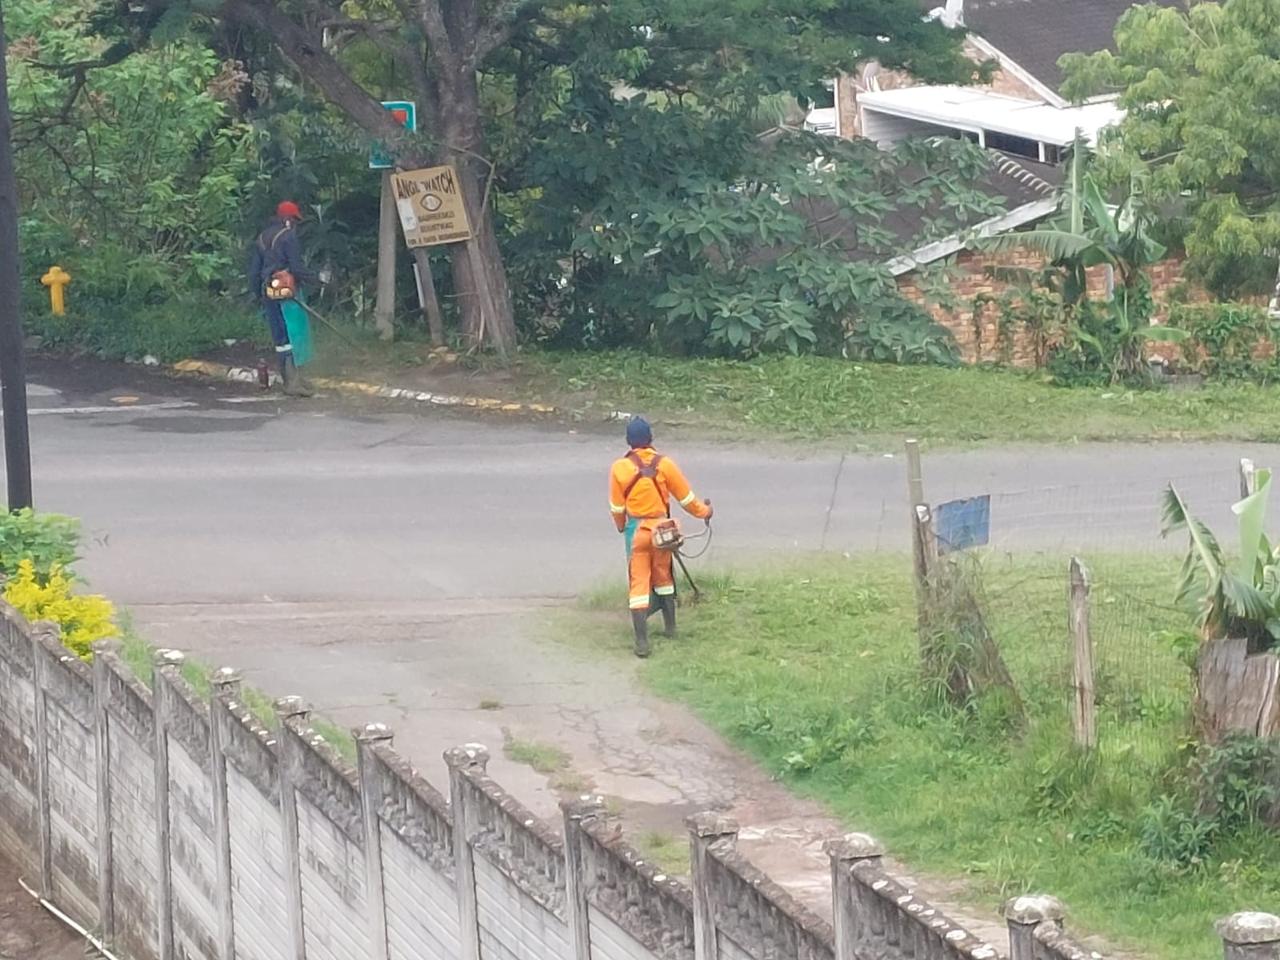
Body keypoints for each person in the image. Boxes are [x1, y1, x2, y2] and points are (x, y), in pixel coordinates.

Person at [608, 417, 713, 657]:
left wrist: (622, 526)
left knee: (639, 584)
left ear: (628, 441)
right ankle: (670, 628)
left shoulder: (619, 468)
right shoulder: (665, 464)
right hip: (663, 532)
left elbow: (617, 507)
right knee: (664, 578)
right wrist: (706, 512)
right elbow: (687, 499)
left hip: (637, 532)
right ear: (651, 439)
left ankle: (642, 642)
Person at [248, 201, 318, 397]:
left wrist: (258, 294)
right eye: (295, 220)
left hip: (268, 291)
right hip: (287, 293)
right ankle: (294, 382)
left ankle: (290, 379)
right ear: (288, 219)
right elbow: (296, 267)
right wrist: (316, 280)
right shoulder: (288, 237)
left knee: (280, 338)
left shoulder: (262, 238)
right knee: (295, 333)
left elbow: (254, 272)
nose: (295, 224)